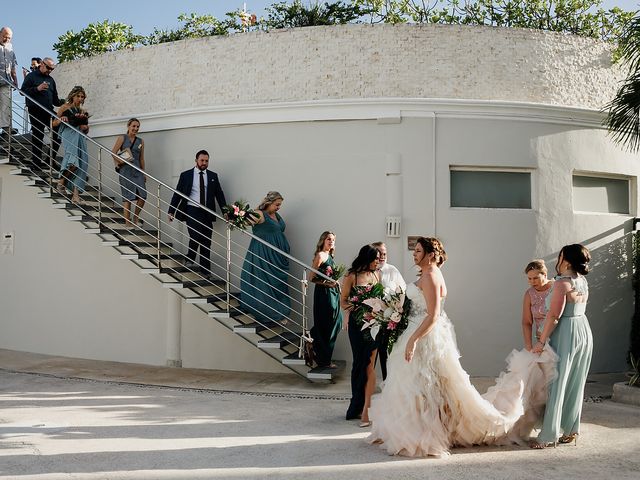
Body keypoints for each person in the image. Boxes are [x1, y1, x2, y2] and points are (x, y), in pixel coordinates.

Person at [368, 237, 553, 457]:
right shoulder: (428, 274)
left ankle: (426, 432)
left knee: (424, 386)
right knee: (419, 386)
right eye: (414, 250)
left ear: (429, 254)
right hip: (417, 329)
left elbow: (433, 314)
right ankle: (410, 429)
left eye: (418, 251)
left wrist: (413, 339)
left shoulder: (430, 276)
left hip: (424, 335)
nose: (414, 254)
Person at [531, 244, 593, 448]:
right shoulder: (582, 281)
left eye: (560, 256)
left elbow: (554, 316)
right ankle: (571, 429)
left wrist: (540, 342)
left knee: (557, 383)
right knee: (576, 381)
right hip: (583, 330)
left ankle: (549, 435)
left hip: (566, 332)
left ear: (565, 260)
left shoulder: (562, 284)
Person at [341, 244, 381, 427]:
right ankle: (355, 405)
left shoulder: (376, 275)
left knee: (370, 366)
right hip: (357, 327)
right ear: (367, 258)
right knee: (359, 364)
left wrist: (377, 311)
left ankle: (367, 407)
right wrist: (358, 309)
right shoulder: (352, 276)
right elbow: (343, 302)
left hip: (374, 326)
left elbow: (380, 300)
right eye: (375, 258)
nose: (378, 262)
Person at [168, 150, 227, 275]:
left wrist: (225, 212)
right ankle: (190, 259)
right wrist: (171, 210)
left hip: (207, 211)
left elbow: (219, 195)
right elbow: (177, 194)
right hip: (191, 209)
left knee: (206, 240)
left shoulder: (212, 176)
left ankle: (205, 271)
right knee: (195, 235)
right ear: (196, 160)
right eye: (202, 160)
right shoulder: (186, 175)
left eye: (206, 161)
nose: (204, 163)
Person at [240, 191, 291, 325]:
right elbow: (244, 222)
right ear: (269, 202)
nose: (279, 207)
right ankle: (265, 313)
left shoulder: (275, 215)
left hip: (278, 256)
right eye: (277, 204)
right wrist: (237, 215)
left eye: (280, 205)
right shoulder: (259, 214)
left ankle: (279, 313)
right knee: (264, 281)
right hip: (263, 252)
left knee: (278, 283)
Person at [21, 57, 63, 170]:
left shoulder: (51, 80)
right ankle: (36, 163)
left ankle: (50, 159)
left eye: (52, 69)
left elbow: (55, 100)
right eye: (48, 68)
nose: (50, 70)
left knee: (59, 132)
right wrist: (37, 88)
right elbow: (22, 91)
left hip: (48, 110)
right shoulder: (31, 76)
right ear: (42, 65)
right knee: (38, 135)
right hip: (35, 109)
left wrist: (65, 102)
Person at [372, 241, 406, 380]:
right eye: (380, 254)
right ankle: (366, 385)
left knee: (386, 354)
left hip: (388, 320)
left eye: (385, 254)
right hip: (370, 319)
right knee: (370, 355)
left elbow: (403, 290)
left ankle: (387, 383)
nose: (382, 257)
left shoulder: (392, 270)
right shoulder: (367, 271)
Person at [309, 231, 343, 368]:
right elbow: (312, 278)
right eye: (329, 239)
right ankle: (323, 359)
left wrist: (336, 284)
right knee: (327, 323)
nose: (331, 241)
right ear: (323, 240)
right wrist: (328, 284)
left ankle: (313, 340)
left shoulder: (330, 256)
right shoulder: (320, 255)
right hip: (324, 293)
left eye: (333, 240)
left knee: (337, 321)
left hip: (333, 292)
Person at [54, 86, 89, 205]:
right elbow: (54, 123)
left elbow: (86, 129)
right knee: (73, 162)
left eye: (82, 97)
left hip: (79, 136)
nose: (80, 98)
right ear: (73, 96)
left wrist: (86, 128)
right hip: (68, 134)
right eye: (78, 96)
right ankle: (61, 182)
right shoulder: (65, 107)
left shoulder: (83, 112)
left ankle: (75, 195)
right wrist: (61, 119)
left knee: (82, 162)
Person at [111, 118, 147, 228]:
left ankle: (135, 217)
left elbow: (141, 158)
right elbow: (113, 152)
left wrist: (143, 172)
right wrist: (120, 162)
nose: (135, 128)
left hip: (137, 169)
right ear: (128, 126)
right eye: (134, 126)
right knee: (128, 196)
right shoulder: (122, 138)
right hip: (125, 170)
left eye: (137, 127)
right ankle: (127, 222)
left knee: (143, 195)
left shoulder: (141, 141)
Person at [522, 260, 553, 351]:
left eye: (535, 278)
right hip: (541, 341)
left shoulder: (556, 288)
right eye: (529, 279)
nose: (532, 282)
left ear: (545, 275)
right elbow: (526, 322)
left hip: (559, 336)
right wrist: (529, 346)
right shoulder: (529, 294)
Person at [0, 27, 18, 136]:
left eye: (9, 38)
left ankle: (6, 129)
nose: (7, 39)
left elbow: (13, 66)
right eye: (5, 37)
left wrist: (15, 80)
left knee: (6, 104)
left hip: (6, 81)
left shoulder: (10, 48)